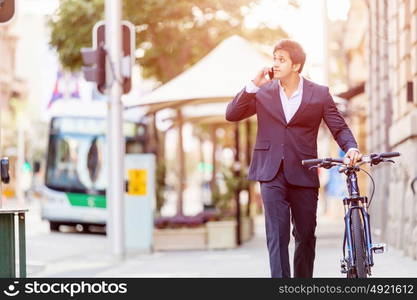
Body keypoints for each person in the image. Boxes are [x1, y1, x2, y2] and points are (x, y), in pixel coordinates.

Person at [225, 39, 362, 278]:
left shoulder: (319, 94)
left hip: (304, 171)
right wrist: (252, 85)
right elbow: (232, 114)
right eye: (274, 58)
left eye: (281, 59)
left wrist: (351, 148)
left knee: (306, 236)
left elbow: (338, 127)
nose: (275, 64)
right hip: (271, 172)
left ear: (296, 65)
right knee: (276, 235)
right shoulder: (263, 92)